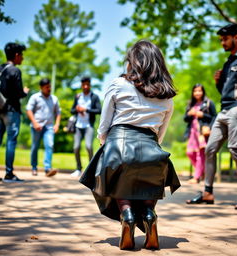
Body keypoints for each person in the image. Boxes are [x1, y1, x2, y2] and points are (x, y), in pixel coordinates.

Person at [79, 40, 181, 250]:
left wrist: (105, 144)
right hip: (152, 150)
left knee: (112, 167)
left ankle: (126, 214)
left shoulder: (118, 84)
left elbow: (104, 125)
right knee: (148, 173)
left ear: (134, 62)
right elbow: (159, 136)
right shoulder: (167, 95)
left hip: (119, 144)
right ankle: (149, 214)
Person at [187, 23, 237, 209]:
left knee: (234, 149)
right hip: (223, 110)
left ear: (236, 37)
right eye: (221, 40)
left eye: (225, 39)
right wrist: (218, 82)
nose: (222, 42)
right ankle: (207, 192)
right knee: (209, 150)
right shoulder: (227, 63)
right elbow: (224, 91)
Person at [0, 42, 29, 183]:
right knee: (11, 141)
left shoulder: (0, 69)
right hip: (11, 111)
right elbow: (17, 93)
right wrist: (25, 93)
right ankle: (9, 174)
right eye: (21, 55)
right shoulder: (15, 71)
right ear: (16, 55)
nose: (22, 58)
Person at [26, 78, 61, 177]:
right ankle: (34, 167)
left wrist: (57, 124)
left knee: (49, 145)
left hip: (49, 127)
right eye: (47, 87)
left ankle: (47, 169)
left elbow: (58, 112)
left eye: (49, 86)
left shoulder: (54, 99)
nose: (49, 88)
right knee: (34, 147)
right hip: (36, 126)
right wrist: (35, 123)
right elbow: (28, 110)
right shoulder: (35, 97)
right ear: (41, 87)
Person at [184, 84, 216, 184]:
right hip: (192, 132)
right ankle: (202, 172)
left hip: (203, 132)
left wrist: (203, 115)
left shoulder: (208, 103)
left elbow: (214, 117)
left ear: (203, 92)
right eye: (195, 91)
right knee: (190, 153)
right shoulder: (190, 104)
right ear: (193, 93)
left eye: (199, 91)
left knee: (200, 154)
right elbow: (185, 119)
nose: (197, 93)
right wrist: (189, 114)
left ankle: (196, 177)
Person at [70, 77, 101, 177]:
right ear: (81, 85)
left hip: (89, 126)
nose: (85, 86)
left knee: (88, 146)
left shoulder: (94, 97)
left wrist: (86, 110)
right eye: (84, 85)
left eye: (87, 84)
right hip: (78, 125)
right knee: (76, 147)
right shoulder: (78, 96)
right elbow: (72, 110)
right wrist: (77, 109)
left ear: (90, 85)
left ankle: (91, 170)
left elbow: (99, 110)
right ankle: (78, 168)